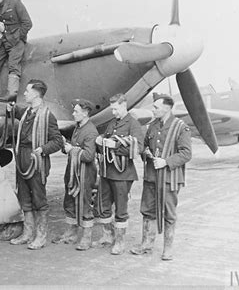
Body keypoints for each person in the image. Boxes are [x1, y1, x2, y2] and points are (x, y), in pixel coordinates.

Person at [130, 93, 192, 261]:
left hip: (169, 178)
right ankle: (146, 245)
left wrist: (166, 162)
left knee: (169, 213)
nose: (153, 109)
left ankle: (167, 249)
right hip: (151, 177)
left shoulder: (180, 127)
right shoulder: (152, 126)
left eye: (156, 107)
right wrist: (145, 152)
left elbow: (186, 153)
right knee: (147, 211)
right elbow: (145, 147)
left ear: (167, 108)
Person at [7, 79, 63, 250]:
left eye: (27, 91)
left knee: (39, 200)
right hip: (22, 158)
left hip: (37, 160)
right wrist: (10, 108)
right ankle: (27, 233)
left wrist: (42, 149)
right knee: (24, 197)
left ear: (36, 94)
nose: (24, 93)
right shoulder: (26, 112)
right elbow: (18, 112)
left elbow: (58, 141)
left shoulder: (48, 116)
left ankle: (41, 236)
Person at [93, 94, 143, 255]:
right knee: (104, 206)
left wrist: (115, 146)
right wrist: (101, 141)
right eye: (111, 109)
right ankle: (108, 236)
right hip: (107, 172)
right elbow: (106, 139)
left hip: (123, 174)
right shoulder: (113, 123)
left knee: (121, 209)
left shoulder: (133, 123)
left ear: (124, 105)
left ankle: (120, 242)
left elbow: (138, 148)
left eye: (115, 109)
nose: (113, 112)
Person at [52, 99, 98, 251]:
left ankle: (86, 237)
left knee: (84, 204)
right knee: (69, 201)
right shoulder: (78, 128)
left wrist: (72, 149)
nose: (73, 113)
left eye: (76, 111)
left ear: (85, 113)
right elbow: (75, 149)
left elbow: (89, 156)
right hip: (72, 171)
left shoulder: (90, 131)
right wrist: (66, 148)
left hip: (84, 174)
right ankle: (71, 233)